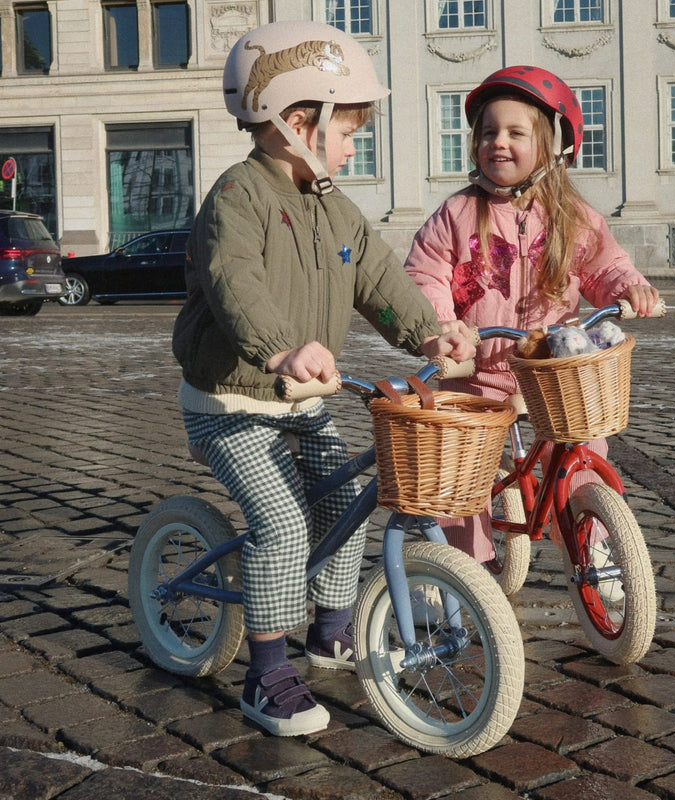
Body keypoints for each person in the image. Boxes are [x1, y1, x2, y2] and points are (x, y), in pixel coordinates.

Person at [171, 21, 475, 738]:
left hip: (299, 402)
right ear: (296, 122)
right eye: (347, 128)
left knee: (343, 494)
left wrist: (429, 330)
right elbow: (234, 282)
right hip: (231, 401)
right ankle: (266, 672)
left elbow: (377, 276)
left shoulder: (333, 202)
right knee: (280, 523)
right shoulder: (237, 198)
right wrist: (279, 350)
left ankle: (331, 626)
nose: (354, 141)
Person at [405, 65, 660, 565]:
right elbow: (424, 273)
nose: (498, 142)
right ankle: (463, 570)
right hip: (472, 371)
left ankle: (595, 550)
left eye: (515, 132)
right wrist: (443, 326)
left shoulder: (572, 215)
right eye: (488, 132)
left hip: (549, 370)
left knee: (582, 448)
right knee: (459, 471)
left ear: (551, 145)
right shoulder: (457, 213)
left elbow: (604, 263)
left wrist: (628, 287)